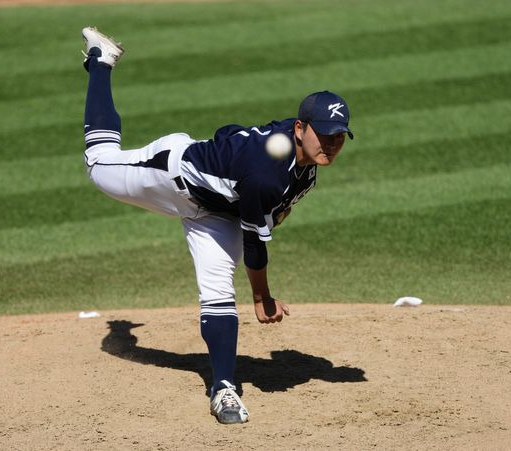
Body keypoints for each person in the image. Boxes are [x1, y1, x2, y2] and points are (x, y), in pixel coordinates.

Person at [80, 27, 354, 425]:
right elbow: (256, 245)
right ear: (300, 128)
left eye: (339, 138)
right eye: (324, 135)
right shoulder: (268, 172)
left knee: (217, 289)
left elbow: (232, 135)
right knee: (98, 164)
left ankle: (223, 388)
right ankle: (101, 60)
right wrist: (262, 298)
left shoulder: (301, 165)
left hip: (217, 212)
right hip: (172, 175)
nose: (330, 144)